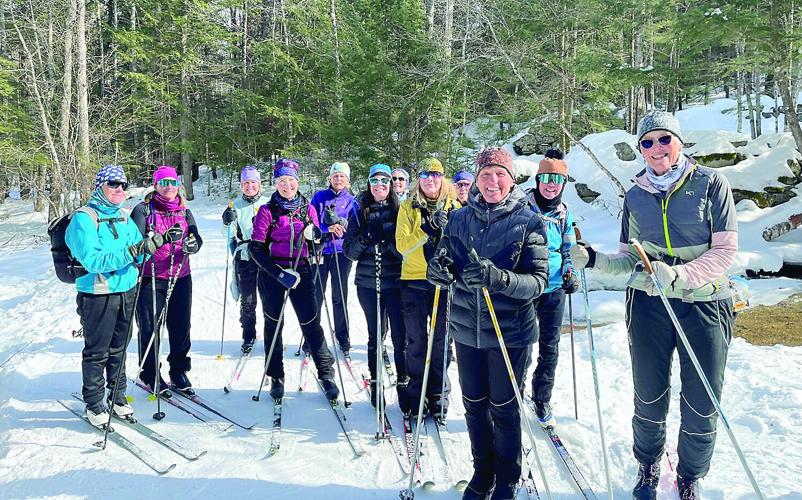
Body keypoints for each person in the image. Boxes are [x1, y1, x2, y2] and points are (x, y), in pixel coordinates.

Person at [570, 111, 738, 499]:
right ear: (640, 150)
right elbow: (630, 258)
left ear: (679, 142)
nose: (656, 148)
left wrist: (681, 277)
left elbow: (724, 250)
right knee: (649, 392)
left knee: (701, 396)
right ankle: (648, 463)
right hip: (649, 304)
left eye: (664, 139)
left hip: (704, 303)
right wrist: (594, 259)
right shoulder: (635, 195)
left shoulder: (712, 184)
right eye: (647, 142)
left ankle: (690, 475)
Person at [426, 148, 549, 499]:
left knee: (505, 407)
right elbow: (445, 259)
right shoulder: (459, 219)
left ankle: (508, 475)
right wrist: (440, 271)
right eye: (485, 175)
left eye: (500, 175)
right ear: (476, 180)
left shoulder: (529, 221)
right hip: (467, 329)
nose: (492, 182)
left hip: (509, 332)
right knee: (474, 404)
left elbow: (537, 282)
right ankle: (483, 470)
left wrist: (499, 279)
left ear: (511, 179)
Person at [65, 165, 164, 426]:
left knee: (119, 348)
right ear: (100, 187)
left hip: (127, 290)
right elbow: (93, 260)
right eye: (113, 184)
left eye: (123, 184)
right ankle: (95, 402)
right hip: (98, 293)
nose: (120, 189)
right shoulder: (84, 219)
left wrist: (153, 244)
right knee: (98, 350)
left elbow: (138, 252)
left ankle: (117, 396)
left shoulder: (122, 216)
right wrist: (132, 252)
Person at [249, 158, 340, 402]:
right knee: (274, 324)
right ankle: (276, 376)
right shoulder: (267, 211)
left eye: (290, 180)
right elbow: (255, 249)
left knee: (311, 322)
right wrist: (279, 274)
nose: (287, 186)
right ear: (275, 183)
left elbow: (317, 244)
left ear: (297, 182)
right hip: (274, 273)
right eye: (281, 181)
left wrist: (319, 235)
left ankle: (326, 373)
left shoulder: (307, 209)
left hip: (302, 271)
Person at [395, 157, 460, 418]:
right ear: (418, 179)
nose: (430, 179)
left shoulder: (455, 207)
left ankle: (438, 392)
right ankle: (417, 392)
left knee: (442, 340)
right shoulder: (408, 207)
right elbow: (402, 246)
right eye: (425, 175)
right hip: (414, 280)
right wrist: (425, 229)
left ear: (442, 178)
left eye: (435, 174)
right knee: (417, 340)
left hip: (444, 283)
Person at [132, 166, 203, 397]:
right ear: (155, 186)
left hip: (181, 275)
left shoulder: (184, 211)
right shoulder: (143, 211)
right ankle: (150, 373)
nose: (169, 187)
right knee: (151, 327)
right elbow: (135, 245)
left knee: (181, 326)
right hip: (151, 278)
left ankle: (179, 370)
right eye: (164, 183)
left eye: (173, 182)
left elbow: (195, 236)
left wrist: (195, 244)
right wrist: (159, 241)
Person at [342, 164, 407, 408]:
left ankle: (403, 380)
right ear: (369, 184)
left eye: (384, 181)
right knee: (376, 334)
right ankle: (376, 380)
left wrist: (390, 242)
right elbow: (349, 252)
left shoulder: (401, 210)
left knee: (401, 335)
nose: (380, 185)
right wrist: (366, 238)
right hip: (369, 284)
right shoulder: (359, 212)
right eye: (375, 181)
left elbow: (407, 251)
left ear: (391, 185)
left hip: (397, 282)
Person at [525, 149, 578, 427]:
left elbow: (568, 248)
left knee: (550, 346)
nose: (550, 184)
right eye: (545, 178)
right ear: (537, 179)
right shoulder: (522, 206)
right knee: (521, 342)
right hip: (527, 285)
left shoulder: (563, 213)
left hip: (554, 287)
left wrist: (570, 271)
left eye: (556, 179)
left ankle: (542, 397)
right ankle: (514, 388)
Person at [310, 162, 356, 356]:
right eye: (335, 176)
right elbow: (309, 223)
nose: (338, 179)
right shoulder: (319, 196)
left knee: (339, 295)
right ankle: (311, 336)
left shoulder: (352, 200)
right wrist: (324, 228)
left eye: (342, 176)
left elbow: (355, 226)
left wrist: (343, 224)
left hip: (341, 253)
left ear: (347, 180)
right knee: (316, 296)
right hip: (320, 251)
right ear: (330, 178)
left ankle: (343, 337)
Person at [222, 166, 270, 353]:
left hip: (267, 256)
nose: (250, 186)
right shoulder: (235, 205)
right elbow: (228, 235)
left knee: (270, 298)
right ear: (241, 185)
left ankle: (272, 333)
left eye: (253, 182)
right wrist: (226, 221)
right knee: (248, 299)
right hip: (245, 255)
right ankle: (248, 335)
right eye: (246, 183)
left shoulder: (269, 202)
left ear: (259, 184)